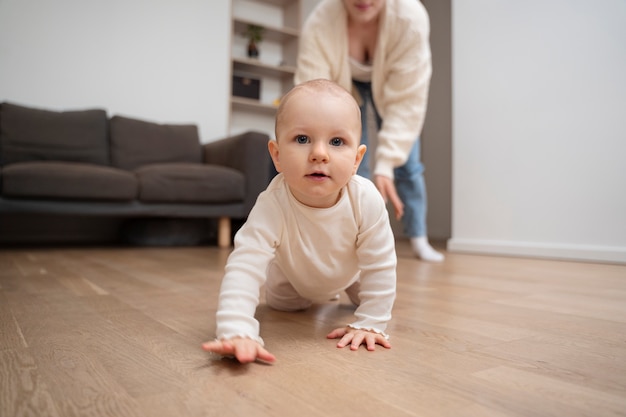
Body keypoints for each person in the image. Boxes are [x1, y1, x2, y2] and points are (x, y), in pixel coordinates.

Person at [202, 79, 397, 364]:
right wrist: (236, 329)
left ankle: (341, 296)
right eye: (303, 139)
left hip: (352, 275)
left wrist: (371, 322)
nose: (319, 153)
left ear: (357, 159)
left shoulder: (366, 199)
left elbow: (380, 264)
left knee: (368, 298)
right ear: (277, 156)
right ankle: (312, 296)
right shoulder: (271, 204)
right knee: (282, 306)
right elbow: (245, 265)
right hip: (291, 280)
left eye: (337, 141)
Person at [295, 0, 444, 262]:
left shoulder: (411, 19)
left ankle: (419, 238)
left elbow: (407, 104)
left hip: (393, 87)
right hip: (342, 86)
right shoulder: (319, 23)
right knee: (349, 164)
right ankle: (350, 238)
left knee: (408, 163)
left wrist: (385, 165)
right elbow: (312, 94)